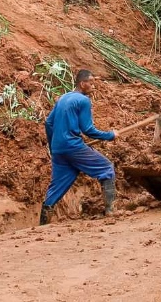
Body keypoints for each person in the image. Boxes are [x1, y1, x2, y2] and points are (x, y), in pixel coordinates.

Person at [39, 69, 119, 225]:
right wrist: (110, 135)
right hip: (73, 146)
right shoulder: (83, 101)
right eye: (90, 83)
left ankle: (43, 223)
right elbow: (88, 130)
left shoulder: (63, 98)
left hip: (59, 150)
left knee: (59, 184)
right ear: (82, 84)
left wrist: (53, 147)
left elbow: (48, 123)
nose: (93, 86)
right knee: (106, 168)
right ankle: (111, 211)